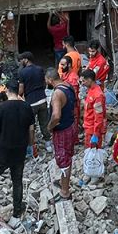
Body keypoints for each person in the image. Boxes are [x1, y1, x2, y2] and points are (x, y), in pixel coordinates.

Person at [0, 80, 38, 231]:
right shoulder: (27, 107)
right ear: (18, 91)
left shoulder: (1, 108)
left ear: (7, 91)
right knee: (17, 181)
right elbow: (31, 130)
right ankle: (17, 213)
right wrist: (30, 145)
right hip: (19, 151)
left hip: (2, 152)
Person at [46, 66, 79, 200]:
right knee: (68, 156)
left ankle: (65, 192)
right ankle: (63, 182)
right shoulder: (68, 86)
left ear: (50, 79)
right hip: (71, 125)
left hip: (62, 131)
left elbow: (56, 116)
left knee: (63, 159)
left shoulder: (57, 94)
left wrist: (49, 126)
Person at [17, 51, 50, 142]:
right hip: (43, 100)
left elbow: (21, 90)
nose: (20, 62)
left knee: (30, 125)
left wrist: (17, 96)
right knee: (44, 123)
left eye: (22, 60)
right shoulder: (40, 69)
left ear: (26, 60)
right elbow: (44, 83)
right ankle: (48, 143)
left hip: (31, 103)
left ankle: (31, 145)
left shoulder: (22, 72)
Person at [81, 68, 107, 154]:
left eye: (83, 81)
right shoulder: (91, 90)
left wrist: (95, 134)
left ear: (89, 80)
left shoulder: (97, 95)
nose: (82, 83)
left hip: (93, 130)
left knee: (93, 155)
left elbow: (99, 116)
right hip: (89, 128)